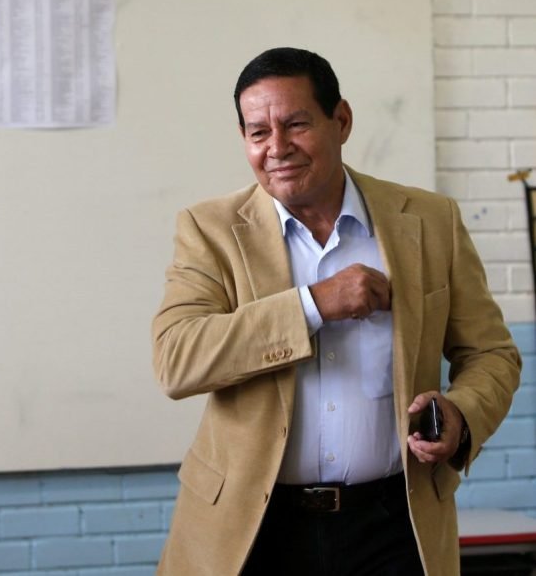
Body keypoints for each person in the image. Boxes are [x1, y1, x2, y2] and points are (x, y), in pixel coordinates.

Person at [151, 47, 521, 576]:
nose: (277, 148)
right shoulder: (209, 230)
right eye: (258, 133)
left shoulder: (430, 221)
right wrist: (315, 303)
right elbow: (177, 359)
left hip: (395, 524)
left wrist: (462, 416)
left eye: (296, 124)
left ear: (340, 121)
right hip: (253, 530)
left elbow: (490, 353)